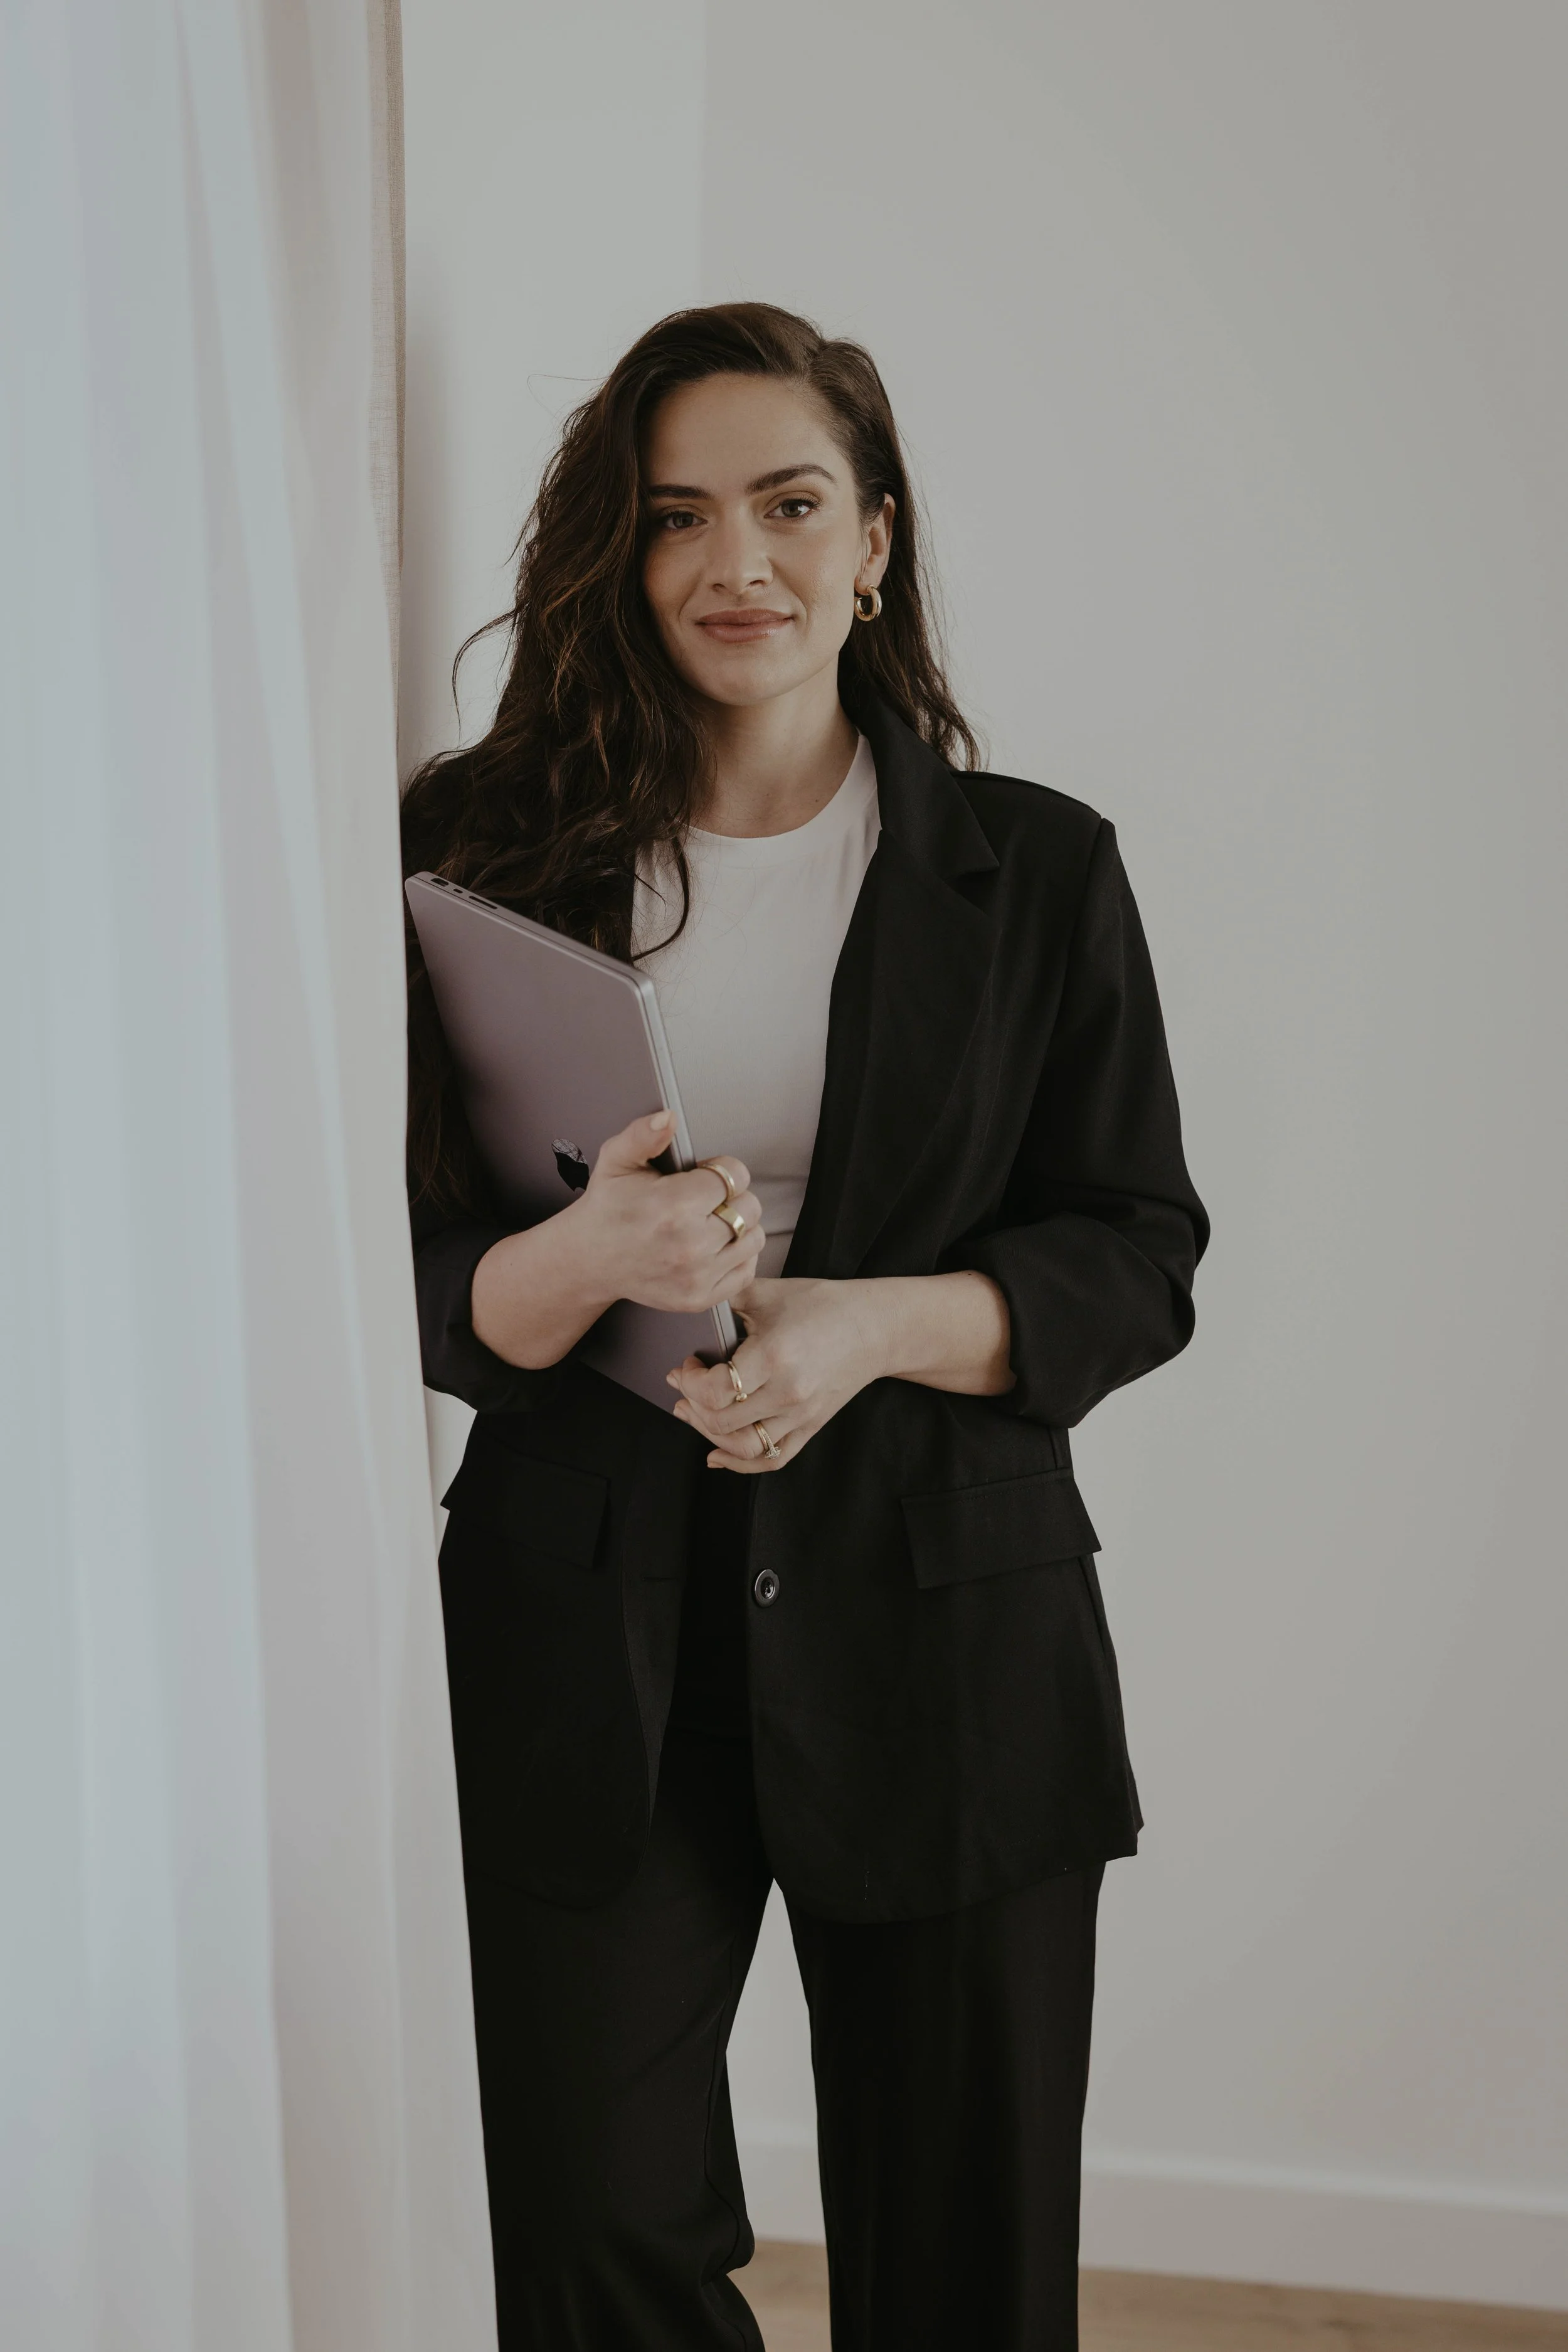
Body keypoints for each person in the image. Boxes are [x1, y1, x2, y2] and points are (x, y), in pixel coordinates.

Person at [401, 302, 1207, 2352]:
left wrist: (861, 1329)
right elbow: (396, 1267)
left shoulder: (1034, 870)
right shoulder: (478, 851)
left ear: (874, 541)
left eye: (787, 505)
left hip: (946, 1616)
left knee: (961, 2261)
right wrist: (589, 1256)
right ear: (621, 552)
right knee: (583, 2229)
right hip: (584, 1629)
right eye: (676, 517)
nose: (732, 563)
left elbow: (1134, 1245)